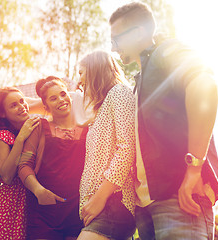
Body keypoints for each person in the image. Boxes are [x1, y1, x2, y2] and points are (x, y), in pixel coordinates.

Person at [109, 2, 218, 240]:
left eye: (116, 40)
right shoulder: (139, 80)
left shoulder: (166, 51)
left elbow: (204, 85)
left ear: (139, 32)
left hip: (180, 196)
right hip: (148, 205)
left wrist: (194, 169)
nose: (114, 48)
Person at [18, 76, 87, 240]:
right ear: (45, 106)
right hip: (44, 212)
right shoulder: (39, 127)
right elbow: (23, 165)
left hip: (77, 212)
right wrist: (38, 190)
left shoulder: (87, 129)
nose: (61, 100)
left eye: (63, 94)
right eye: (53, 98)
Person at [77, 50, 136, 240]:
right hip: (101, 207)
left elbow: (127, 149)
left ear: (95, 71)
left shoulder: (119, 93)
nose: (79, 81)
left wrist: (99, 198)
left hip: (113, 203)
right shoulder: (103, 106)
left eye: (81, 72)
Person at [0, 87, 40, 239]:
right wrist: (20, 138)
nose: (21, 107)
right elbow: (6, 176)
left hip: (31, 202)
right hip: (7, 206)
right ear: (2, 113)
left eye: (22, 101)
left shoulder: (36, 128)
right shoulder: (3, 136)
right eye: (13, 105)